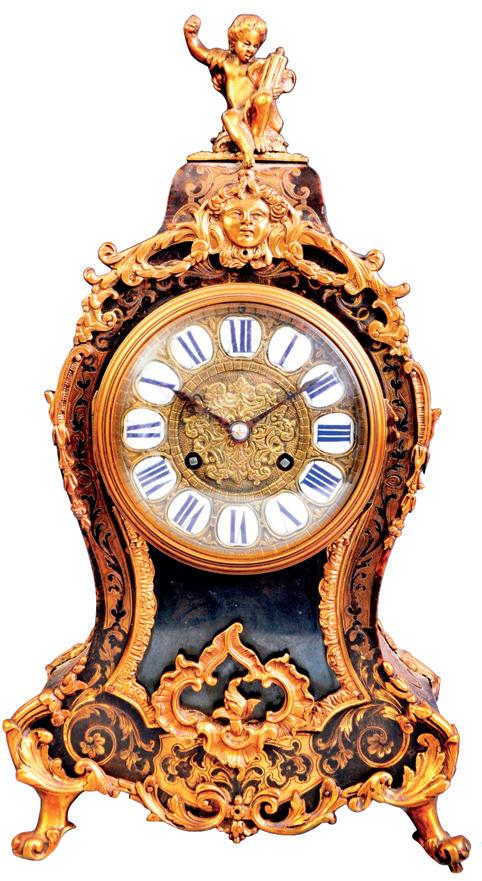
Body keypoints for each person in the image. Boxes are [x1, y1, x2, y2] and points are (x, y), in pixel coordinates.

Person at [184, 14, 296, 167]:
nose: (251, 50)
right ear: (233, 41)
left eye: (255, 46)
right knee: (228, 116)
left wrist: (278, 84)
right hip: (239, 115)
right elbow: (202, 52)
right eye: (246, 44)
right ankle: (246, 149)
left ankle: (258, 136)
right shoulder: (224, 60)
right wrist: (191, 35)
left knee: (264, 97)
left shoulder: (260, 66)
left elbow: (286, 78)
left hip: (259, 116)